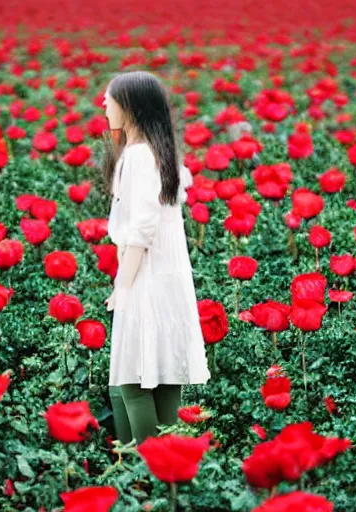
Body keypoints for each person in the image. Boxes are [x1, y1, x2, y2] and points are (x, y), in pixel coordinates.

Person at [101, 70, 211, 445]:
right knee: (164, 377)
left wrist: (123, 285)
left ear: (129, 107)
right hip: (168, 281)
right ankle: (172, 467)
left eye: (109, 99)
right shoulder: (158, 155)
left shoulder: (136, 157)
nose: (104, 104)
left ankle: (142, 472)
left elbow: (141, 231)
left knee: (131, 381)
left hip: (146, 280)